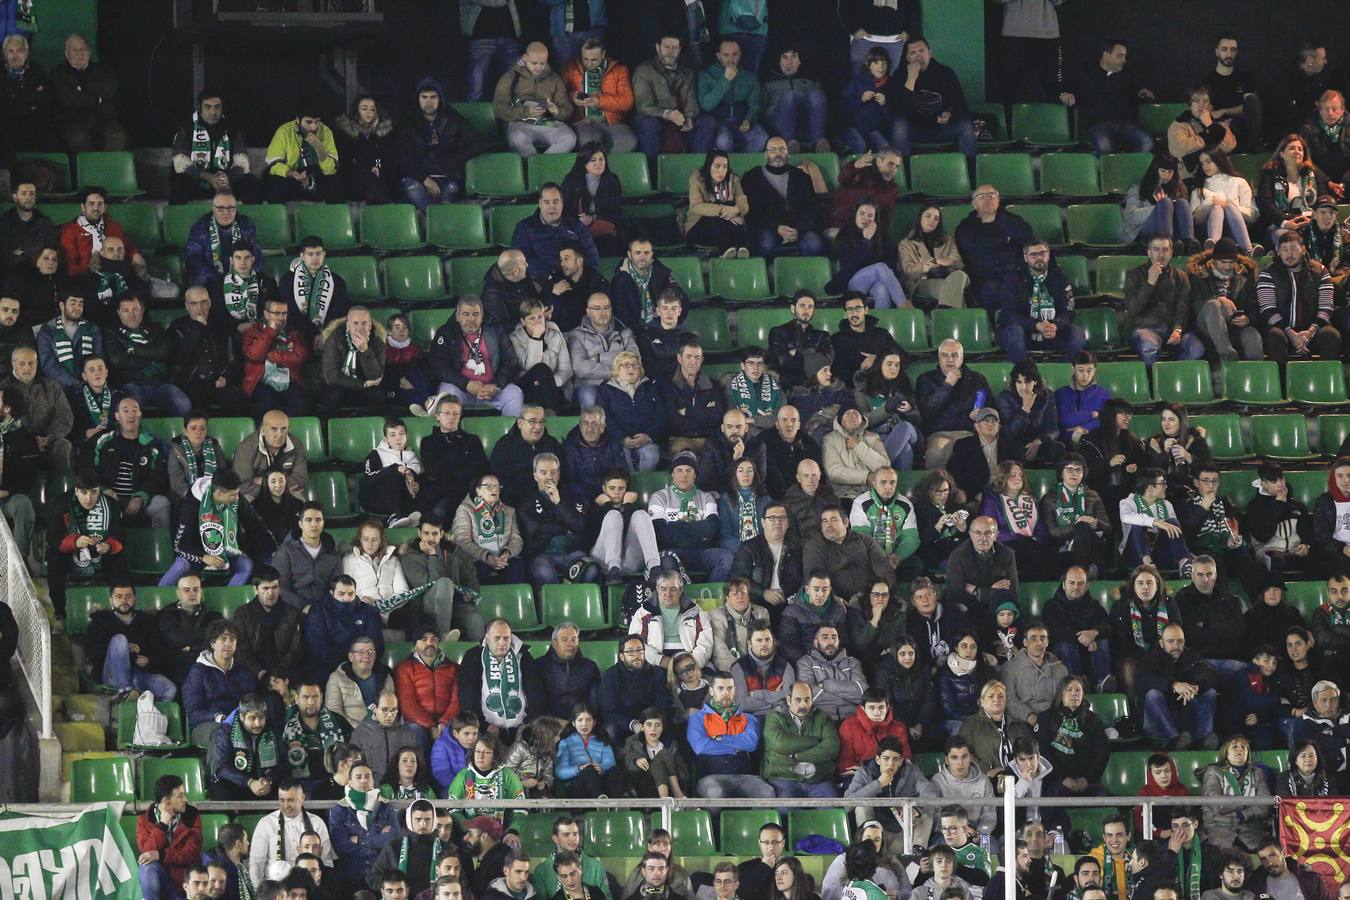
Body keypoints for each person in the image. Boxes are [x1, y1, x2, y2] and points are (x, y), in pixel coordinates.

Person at [162, 468, 267, 588]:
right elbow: (180, 545)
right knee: (180, 565)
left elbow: (255, 524)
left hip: (228, 551)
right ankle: (157, 600)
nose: (236, 498)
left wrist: (272, 548)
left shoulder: (236, 499)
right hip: (198, 554)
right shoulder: (190, 505)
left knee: (246, 565)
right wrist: (204, 557)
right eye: (232, 495)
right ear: (219, 493)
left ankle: (229, 601)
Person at [427, 295, 525, 417]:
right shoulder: (446, 332)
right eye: (466, 314)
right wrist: (466, 384)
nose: (471, 319)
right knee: (447, 392)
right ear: (457, 316)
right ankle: (450, 433)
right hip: (461, 389)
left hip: (491, 390)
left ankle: (511, 435)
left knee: (515, 394)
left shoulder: (495, 330)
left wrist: (495, 384)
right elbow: (438, 366)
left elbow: (510, 361)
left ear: (482, 316)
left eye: (475, 314)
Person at [397, 77, 483, 212]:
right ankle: (441, 217)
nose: (428, 102)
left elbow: (476, 143)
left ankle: (434, 218)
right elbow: (402, 158)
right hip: (418, 179)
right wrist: (424, 179)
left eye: (433, 97)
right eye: (424, 97)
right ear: (417, 99)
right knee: (414, 192)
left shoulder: (452, 118)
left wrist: (454, 161)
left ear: (440, 99)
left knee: (449, 195)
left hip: (449, 177)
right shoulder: (408, 122)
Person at [1258, 229, 1341, 364]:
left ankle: (1321, 381)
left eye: (1293, 249)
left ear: (1303, 249)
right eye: (1284, 249)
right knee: (1274, 336)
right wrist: (1291, 334)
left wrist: (1311, 332)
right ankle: (1283, 382)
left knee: (1332, 336)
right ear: (1278, 252)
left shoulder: (1320, 271)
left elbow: (1327, 308)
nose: (1289, 254)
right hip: (1282, 330)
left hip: (1313, 330)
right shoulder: (1268, 273)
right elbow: (1268, 310)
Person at [687, 671, 774, 798]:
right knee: (714, 792)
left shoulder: (748, 718)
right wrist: (737, 746)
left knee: (767, 792)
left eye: (729, 688)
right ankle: (716, 819)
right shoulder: (698, 719)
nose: (725, 693)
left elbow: (751, 743)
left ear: (735, 690)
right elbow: (701, 747)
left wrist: (717, 738)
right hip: (711, 777)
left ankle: (755, 819)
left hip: (745, 776)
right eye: (720, 688)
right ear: (711, 691)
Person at [87, 396, 172, 527]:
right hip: (107, 499)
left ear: (140, 415)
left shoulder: (152, 445)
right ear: (117, 416)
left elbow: (159, 477)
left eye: (135, 410)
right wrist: (101, 489)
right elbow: (87, 468)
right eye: (125, 411)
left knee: (162, 503)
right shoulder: (103, 440)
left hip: (139, 501)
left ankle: (159, 545)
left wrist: (141, 496)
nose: (131, 415)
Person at [1059, 38, 1153, 156]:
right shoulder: (1086, 74)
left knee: (1146, 142)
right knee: (1105, 146)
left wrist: (1142, 93)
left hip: (1125, 124)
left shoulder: (1128, 75)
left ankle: (1130, 170)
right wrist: (1065, 94)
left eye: (1124, 56)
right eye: (1120, 56)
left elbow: (1136, 95)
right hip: (1098, 124)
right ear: (1106, 55)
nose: (1124, 60)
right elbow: (1064, 89)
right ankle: (1111, 172)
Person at [997, 240, 1085, 363]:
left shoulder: (1060, 277)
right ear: (1025, 257)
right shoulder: (1013, 278)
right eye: (1033, 255)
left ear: (1048, 255)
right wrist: (1036, 325)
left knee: (1077, 333)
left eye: (1042, 254)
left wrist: (1055, 325)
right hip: (1024, 333)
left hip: (1053, 332)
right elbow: (1007, 314)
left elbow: (1068, 311)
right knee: (1013, 333)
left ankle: (1067, 374)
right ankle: (1024, 375)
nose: (1039, 258)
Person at [892, 38, 976, 163]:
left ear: (930, 53)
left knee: (966, 126)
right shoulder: (900, 75)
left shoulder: (945, 73)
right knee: (899, 126)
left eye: (922, 51)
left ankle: (971, 172)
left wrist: (949, 114)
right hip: (915, 129)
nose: (918, 55)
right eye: (913, 53)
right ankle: (903, 174)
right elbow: (899, 112)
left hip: (940, 128)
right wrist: (911, 79)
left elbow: (961, 105)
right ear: (908, 58)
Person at [954, 186, 1034, 313]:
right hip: (982, 276)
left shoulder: (1013, 220)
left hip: (1014, 273)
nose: (988, 199)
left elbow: (1027, 239)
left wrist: (991, 243)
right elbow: (972, 251)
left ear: (998, 200)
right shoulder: (966, 226)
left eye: (991, 195)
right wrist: (1003, 240)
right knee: (989, 290)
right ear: (974, 204)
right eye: (982, 196)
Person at [1138, 624, 1217, 751]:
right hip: (1157, 723)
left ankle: (1203, 739)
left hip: (1183, 719)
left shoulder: (1191, 656)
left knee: (1210, 693)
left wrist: (1196, 686)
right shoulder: (1150, 657)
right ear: (1161, 643)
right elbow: (1146, 680)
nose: (1176, 646)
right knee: (1153, 695)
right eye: (1170, 641)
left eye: (1180, 641)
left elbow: (1207, 675)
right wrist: (1174, 685)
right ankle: (1172, 739)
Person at [743, 137, 823, 259]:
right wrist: (777, 227)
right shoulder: (752, 178)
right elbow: (752, 212)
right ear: (765, 154)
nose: (777, 153)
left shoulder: (801, 177)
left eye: (782, 149)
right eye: (772, 150)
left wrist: (798, 229)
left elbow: (811, 207)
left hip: (797, 228)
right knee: (765, 245)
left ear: (788, 153)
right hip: (767, 227)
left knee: (815, 245)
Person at [328, 761, 400, 894]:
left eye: (368, 776)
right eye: (358, 777)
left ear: (373, 780)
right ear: (349, 782)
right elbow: (342, 846)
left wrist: (360, 840)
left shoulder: (385, 807)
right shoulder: (339, 810)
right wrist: (377, 840)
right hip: (350, 878)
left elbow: (393, 839)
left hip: (381, 877)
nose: (364, 780)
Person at [494, 42, 577, 157]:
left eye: (542, 63)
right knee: (516, 138)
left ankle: (539, 167)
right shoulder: (510, 77)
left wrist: (557, 110)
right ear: (525, 58)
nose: (538, 67)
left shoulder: (554, 79)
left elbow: (567, 109)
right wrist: (525, 111)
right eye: (534, 63)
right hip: (520, 123)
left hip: (548, 123)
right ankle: (534, 167)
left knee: (569, 138)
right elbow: (499, 108)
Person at [247, 781, 336, 887]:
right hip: (275, 889)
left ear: (302, 798)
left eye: (291, 800)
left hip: (309, 889)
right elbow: (256, 864)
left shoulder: (317, 823)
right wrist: (260, 892)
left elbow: (326, 862)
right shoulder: (266, 823)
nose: (286, 805)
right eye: (282, 800)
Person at [168, 289, 244, 413]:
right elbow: (180, 356)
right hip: (193, 385)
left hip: (220, 382)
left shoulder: (223, 326)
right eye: (194, 303)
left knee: (239, 400)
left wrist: (227, 378)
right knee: (195, 402)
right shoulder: (177, 328)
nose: (200, 307)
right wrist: (197, 327)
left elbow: (234, 358)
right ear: (187, 306)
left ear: (209, 303)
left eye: (203, 302)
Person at [169, 90, 252, 203]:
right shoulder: (186, 127)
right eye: (208, 107)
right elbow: (180, 161)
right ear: (200, 108)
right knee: (180, 182)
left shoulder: (232, 128)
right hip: (196, 180)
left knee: (251, 183)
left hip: (226, 180)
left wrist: (227, 178)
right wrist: (207, 177)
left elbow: (241, 161)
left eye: (217, 107)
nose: (213, 112)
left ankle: (247, 220)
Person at [50, 34, 128, 153]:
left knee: (118, 136)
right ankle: (84, 171)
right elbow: (68, 99)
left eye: (83, 49)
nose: (79, 53)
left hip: (104, 119)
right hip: (73, 121)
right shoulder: (59, 73)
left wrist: (82, 90)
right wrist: (97, 99)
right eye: (75, 49)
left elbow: (109, 90)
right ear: (67, 53)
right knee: (78, 139)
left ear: (89, 52)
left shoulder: (103, 70)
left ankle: (107, 170)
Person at [303, 575, 386, 685]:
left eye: (351, 594)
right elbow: (318, 646)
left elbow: (377, 644)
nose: (346, 598)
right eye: (341, 594)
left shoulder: (368, 612)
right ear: (332, 593)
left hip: (363, 664)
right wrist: (346, 666)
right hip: (329, 667)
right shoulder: (318, 611)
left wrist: (358, 663)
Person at [4, 345, 73, 471]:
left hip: (48, 440)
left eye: (31, 363)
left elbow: (64, 416)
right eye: (22, 364)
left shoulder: (52, 387)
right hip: (17, 442)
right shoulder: (3, 389)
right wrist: (30, 440)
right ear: (13, 364)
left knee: (63, 445)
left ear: (37, 363)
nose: (27, 368)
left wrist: (49, 437)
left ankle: (63, 488)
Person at [562, 39, 637, 154]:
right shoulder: (571, 67)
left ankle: (606, 169)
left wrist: (599, 101)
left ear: (603, 54)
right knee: (588, 142)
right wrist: (573, 97)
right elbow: (560, 93)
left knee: (628, 142)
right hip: (584, 121)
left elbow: (627, 102)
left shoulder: (619, 70)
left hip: (612, 122)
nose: (589, 64)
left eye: (594, 60)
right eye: (585, 59)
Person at [631, 33, 699, 161]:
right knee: (649, 124)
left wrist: (689, 116)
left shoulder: (687, 73)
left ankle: (700, 169)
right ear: (658, 48)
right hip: (653, 117)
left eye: (674, 48)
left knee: (706, 123)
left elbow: (692, 100)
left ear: (679, 50)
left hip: (680, 117)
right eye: (666, 47)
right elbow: (643, 106)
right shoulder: (644, 70)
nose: (670, 52)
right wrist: (667, 114)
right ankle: (652, 172)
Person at [137, 774, 205, 900]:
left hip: (182, 885)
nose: (185, 799)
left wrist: (161, 855)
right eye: (180, 796)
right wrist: (162, 825)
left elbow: (191, 853)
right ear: (166, 801)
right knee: (147, 866)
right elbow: (147, 852)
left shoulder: (191, 815)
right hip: (161, 881)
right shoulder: (144, 820)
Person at [692, 39, 767, 154]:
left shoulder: (749, 78)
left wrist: (749, 119)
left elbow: (755, 104)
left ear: (740, 55)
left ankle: (745, 167)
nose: (731, 59)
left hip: (742, 122)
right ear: (718, 56)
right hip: (719, 122)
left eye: (735, 55)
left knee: (761, 138)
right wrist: (726, 80)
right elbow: (706, 105)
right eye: (726, 55)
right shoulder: (706, 75)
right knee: (723, 141)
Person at [233, 568, 305, 687]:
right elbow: (241, 650)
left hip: (284, 670)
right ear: (256, 590)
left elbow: (296, 649)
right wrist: (261, 673)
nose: (271, 593)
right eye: (265, 588)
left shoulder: (292, 613)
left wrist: (278, 673)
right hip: (253, 672)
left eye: (275, 587)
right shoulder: (243, 613)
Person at [830, 200, 906, 310]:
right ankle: (905, 307)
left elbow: (891, 264)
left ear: (875, 219)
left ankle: (880, 325)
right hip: (852, 282)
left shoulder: (882, 236)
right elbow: (849, 266)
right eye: (862, 213)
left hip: (876, 282)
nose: (865, 218)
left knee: (882, 290)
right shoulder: (844, 235)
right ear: (855, 214)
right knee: (880, 267)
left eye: (870, 215)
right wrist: (866, 240)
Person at [240, 298, 310, 417]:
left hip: (289, 380)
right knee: (267, 407)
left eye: (284, 313)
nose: (281, 317)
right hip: (262, 381)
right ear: (266, 314)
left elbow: (299, 357)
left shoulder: (293, 333)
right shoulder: (253, 331)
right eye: (277, 313)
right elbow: (255, 354)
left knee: (301, 406)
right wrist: (270, 331)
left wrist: (271, 355)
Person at [211, 693, 287, 800]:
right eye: (252, 718)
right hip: (238, 783)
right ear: (242, 717)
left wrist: (269, 780)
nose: (258, 723)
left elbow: (284, 763)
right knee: (221, 789)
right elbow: (222, 767)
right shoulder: (226, 731)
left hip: (265, 784)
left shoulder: (272, 730)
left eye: (261, 718)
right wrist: (249, 782)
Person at [184, 192, 264, 288]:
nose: (226, 212)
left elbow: (257, 256)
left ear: (236, 209)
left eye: (230, 208)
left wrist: (243, 275)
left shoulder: (245, 225)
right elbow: (193, 259)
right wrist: (220, 280)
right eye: (221, 208)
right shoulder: (200, 227)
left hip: (241, 276)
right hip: (210, 278)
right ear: (214, 209)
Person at [1256, 134, 1322, 249]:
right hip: (1279, 223)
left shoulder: (1311, 173)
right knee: (1289, 240)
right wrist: (1285, 223)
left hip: (1307, 221)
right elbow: (1265, 202)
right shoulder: (1270, 173)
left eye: (1300, 149)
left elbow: (1322, 198)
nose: (1297, 151)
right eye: (1292, 148)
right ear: (1282, 154)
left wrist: (1315, 215)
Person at [898, 205, 968, 310]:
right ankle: (954, 319)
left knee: (961, 276)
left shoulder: (946, 239)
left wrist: (944, 261)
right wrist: (926, 265)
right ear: (920, 217)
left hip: (947, 276)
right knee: (953, 288)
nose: (932, 221)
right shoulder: (906, 243)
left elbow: (959, 262)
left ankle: (944, 316)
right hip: (921, 281)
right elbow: (908, 270)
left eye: (936, 218)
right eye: (928, 216)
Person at [264, 104, 339, 201]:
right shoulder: (284, 131)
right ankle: (279, 215)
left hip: (316, 174)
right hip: (291, 174)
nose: (313, 127)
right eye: (309, 122)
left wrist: (319, 147)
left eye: (317, 122)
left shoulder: (325, 131)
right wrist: (291, 173)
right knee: (274, 182)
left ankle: (331, 215)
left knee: (334, 182)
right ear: (298, 120)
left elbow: (330, 169)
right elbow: (273, 164)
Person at [318, 307, 386, 412]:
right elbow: (331, 377)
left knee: (378, 395)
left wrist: (365, 350)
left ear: (370, 325)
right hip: (339, 385)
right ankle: (329, 426)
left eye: (364, 323)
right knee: (333, 396)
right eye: (355, 323)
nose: (360, 328)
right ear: (348, 325)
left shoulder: (377, 341)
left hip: (366, 387)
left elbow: (375, 376)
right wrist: (362, 384)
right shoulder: (334, 339)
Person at [1191, 150, 1259, 254]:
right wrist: (1209, 203)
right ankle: (1213, 247)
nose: (1205, 166)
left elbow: (1252, 215)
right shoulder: (1199, 186)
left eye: (1208, 161)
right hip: (1206, 230)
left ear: (1219, 160)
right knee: (1216, 208)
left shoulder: (1239, 182)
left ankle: (1247, 249)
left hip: (1235, 228)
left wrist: (1229, 205)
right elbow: (1194, 218)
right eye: (1202, 163)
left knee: (1229, 207)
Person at [763, 47, 830, 154]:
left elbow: (820, 108)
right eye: (785, 57)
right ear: (779, 61)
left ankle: (818, 143)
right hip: (779, 123)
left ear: (799, 61)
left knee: (816, 94)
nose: (790, 62)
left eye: (794, 57)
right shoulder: (769, 82)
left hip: (805, 122)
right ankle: (789, 143)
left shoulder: (810, 81)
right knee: (789, 96)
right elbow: (763, 109)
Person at [1168, 86, 1236, 188]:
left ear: (1210, 105)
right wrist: (1210, 137)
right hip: (1189, 176)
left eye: (1205, 101)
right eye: (1196, 100)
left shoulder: (1217, 124)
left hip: (1217, 174)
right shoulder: (1179, 124)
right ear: (1190, 104)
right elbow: (1179, 149)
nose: (1201, 104)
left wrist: (1210, 125)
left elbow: (1229, 146)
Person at [1203, 36, 1262, 152]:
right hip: (1218, 129)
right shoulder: (1207, 81)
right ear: (1217, 52)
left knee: (1253, 99)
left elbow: (1251, 106)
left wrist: (1224, 111)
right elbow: (1208, 112)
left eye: (1233, 50)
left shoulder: (1245, 78)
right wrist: (1221, 122)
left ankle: (1250, 147)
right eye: (1224, 49)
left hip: (1242, 126)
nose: (1229, 54)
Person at [360, 418, 423, 528]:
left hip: (404, 499)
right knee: (395, 474)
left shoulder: (412, 455)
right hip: (377, 500)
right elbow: (369, 481)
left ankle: (413, 517)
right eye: (393, 435)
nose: (398, 438)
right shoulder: (376, 454)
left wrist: (417, 485)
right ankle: (394, 516)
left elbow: (418, 477)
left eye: (401, 434)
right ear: (386, 439)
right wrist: (394, 469)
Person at [685, 149, 750, 257]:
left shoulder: (733, 179)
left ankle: (742, 248)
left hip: (727, 228)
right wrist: (723, 211)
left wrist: (736, 210)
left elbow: (742, 201)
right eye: (717, 166)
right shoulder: (697, 178)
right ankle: (726, 249)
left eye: (725, 166)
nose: (722, 171)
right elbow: (696, 206)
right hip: (699, 228)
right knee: (716, 216)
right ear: (709, 166)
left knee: (736, 213)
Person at [1123, 153, 1196, 248]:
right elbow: (1132, 216)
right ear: (1155, 170)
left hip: (1174, 233)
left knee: (1182, 202)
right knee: (1165, 203)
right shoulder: (1137, 189)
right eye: (1163, 171)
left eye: (1170, 172)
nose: (1167, 175)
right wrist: (1159, 209)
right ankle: (1166, 244)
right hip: (1144, 232)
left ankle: (1189, 243)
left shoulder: (1177, 189)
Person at [334, 94, 396, 204]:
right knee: (366, 176)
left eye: (372, 109)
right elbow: (346, 159)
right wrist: (368, 168)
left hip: (376, 176)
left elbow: (383, 157)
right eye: (364, 109)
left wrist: (377, 166)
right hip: (353, 176)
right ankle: (389, 206)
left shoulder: (380, 133)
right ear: (357, 111)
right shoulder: (347, 132)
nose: (369, 112)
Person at [0, 36, 56, 156]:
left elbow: (45, 99)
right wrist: (29, 97)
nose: (15, 56)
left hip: (34, 119)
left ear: (26, 53)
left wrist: (15, 96)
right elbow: (3, 103)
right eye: (11, 51)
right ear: (5, 54)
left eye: (19, 50)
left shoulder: (37, 70)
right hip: (7, 121)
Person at [840, 49, 900, 155]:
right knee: (859, 144)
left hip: (874, 130)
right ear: (869, 65)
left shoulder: (892, 84)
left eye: (884, 63)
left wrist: (884, 104)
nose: (881, 67)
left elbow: (894, 117)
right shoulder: (857, 81)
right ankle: (854, 169)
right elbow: (843, 108)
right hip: (853, 128)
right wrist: (860, 99)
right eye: (876, 63)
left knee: (885, 149)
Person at [0, 182, 57, 278]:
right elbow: (4, 257)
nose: (28, 197)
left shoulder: (45, 222)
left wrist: (21, 254)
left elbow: (51, 252)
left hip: (40, 275)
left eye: (32, 193)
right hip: (12, 276)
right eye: (23, 193)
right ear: (15, 197)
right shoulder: (4, 223)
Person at [1246, 842, 1331, 900]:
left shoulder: (1311, 880)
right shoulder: (1254, 884)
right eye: (1263, 859)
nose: (1269, 863)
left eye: (1272, 856)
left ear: (1284, 853)